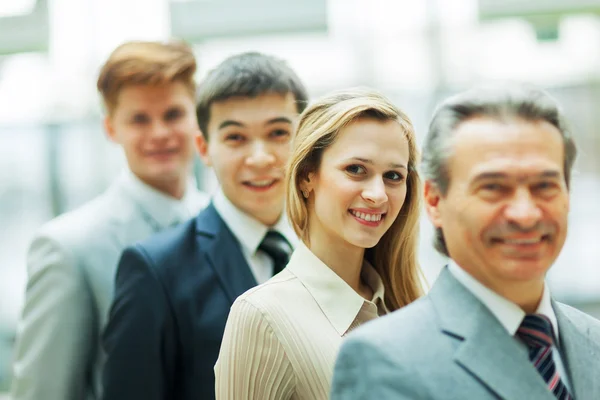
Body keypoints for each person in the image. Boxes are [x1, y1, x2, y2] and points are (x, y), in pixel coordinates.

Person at [330, 84, 600, 400]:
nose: (525, 214)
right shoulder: (383, 360)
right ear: (433, 200)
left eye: (545, 185)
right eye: (494, 187)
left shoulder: (592, 339)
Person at [100, 51, 309, 400]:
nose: (259, 158)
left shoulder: (332, 249)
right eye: (235, 138)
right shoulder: (155, 270)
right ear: (204, 147)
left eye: (278, 133)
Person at [10, 40, 209, 400]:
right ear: (111, 129)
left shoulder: (223, 223)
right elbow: (43, 393)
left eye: (173, 114)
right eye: (139, 119)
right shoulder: (70, 247)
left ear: (198, 119)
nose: (160, 133)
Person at [214, 87, 424, 400]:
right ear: (306, 176)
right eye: (356, 169)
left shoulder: (410, 306)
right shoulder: (261, 316)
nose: (378, 194)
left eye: (393, 176)